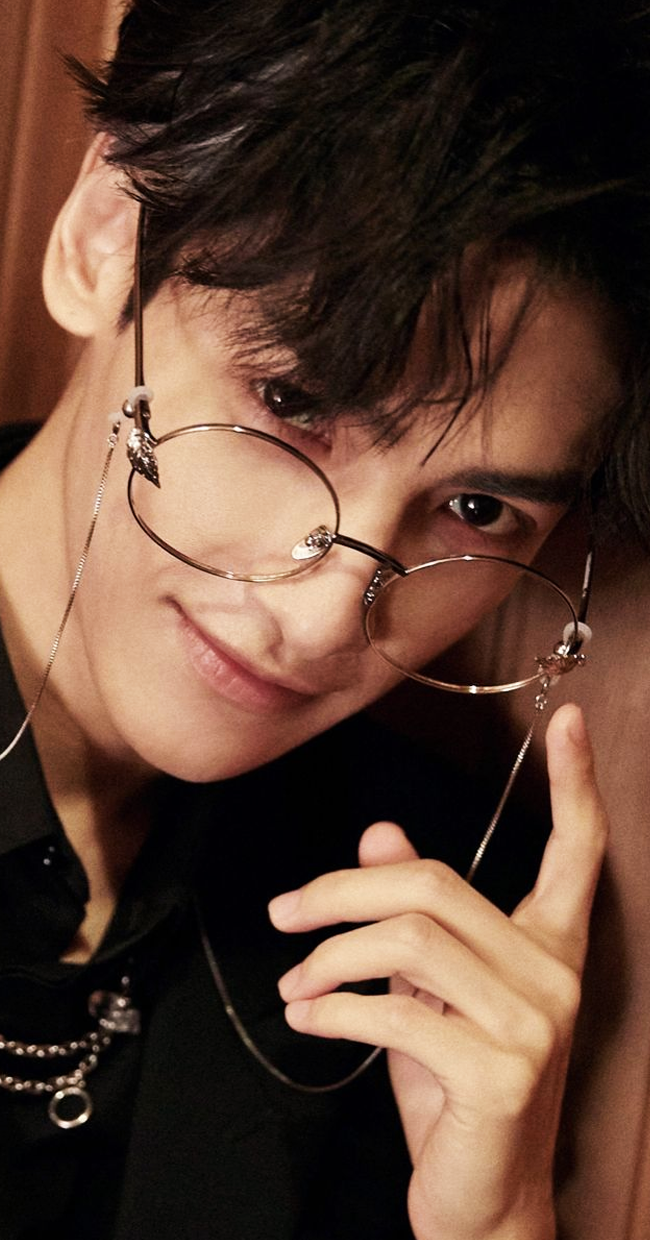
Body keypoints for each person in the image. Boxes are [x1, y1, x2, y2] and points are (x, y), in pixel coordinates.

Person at [0, 1, 648, 1236]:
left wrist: (498, 1222)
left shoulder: (428, 928)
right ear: (103, 239)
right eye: (291, 401)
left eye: (475, 509)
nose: (321, 615)